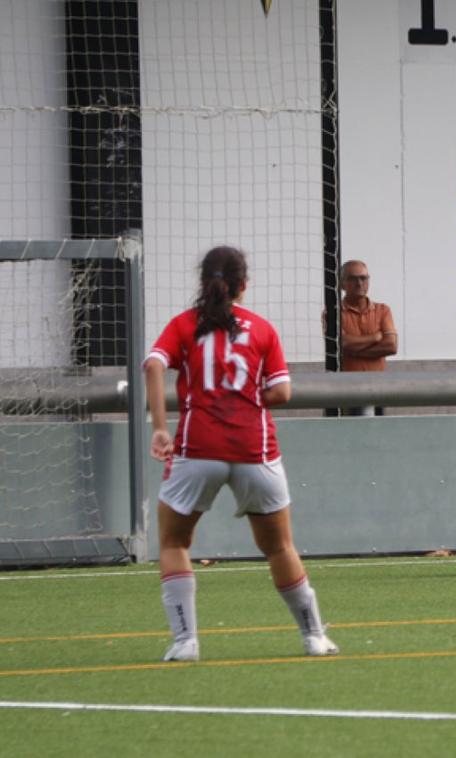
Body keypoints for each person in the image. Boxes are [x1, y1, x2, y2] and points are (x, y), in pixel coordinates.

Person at [144, 246, 338, 662]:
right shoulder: (263, 329)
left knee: (174, 541)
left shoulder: (183, 325)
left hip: (196, 448)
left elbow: (153, 365)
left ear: (203, 282)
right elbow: (283, 391)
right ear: (243, 286)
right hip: (255, 450)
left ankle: (185, 642)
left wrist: (161, 427)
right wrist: (249, 395)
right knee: (280, 547)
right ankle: (314, 637)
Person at [338, 260, 398, 416]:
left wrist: (353, 350)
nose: (359, 283)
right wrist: (374, 337)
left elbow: (391, 346)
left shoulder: (383, 310)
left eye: (364, 278)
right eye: (353, 278)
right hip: (347, 390)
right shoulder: (333, 313)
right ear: (342, 283)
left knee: (378, 434)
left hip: (378, 388)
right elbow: (341, 343)